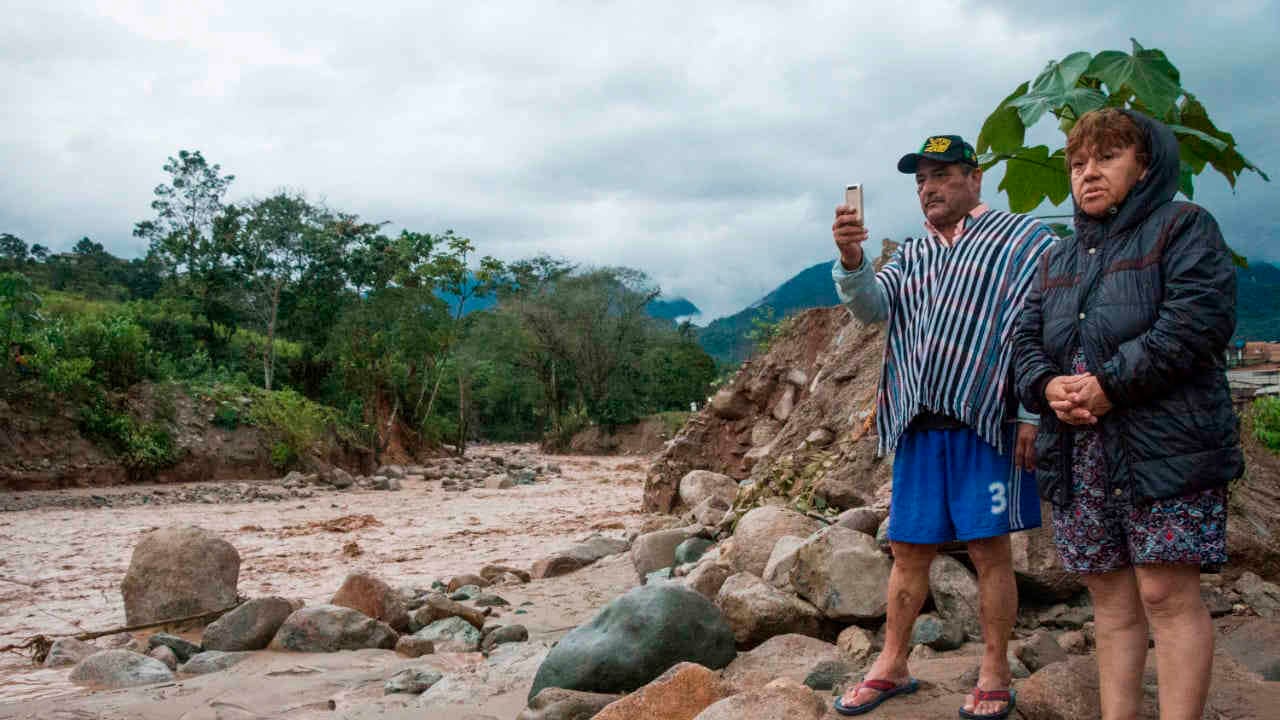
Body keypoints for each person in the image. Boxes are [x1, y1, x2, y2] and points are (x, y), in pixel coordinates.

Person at [1013, 108, 1241, 720]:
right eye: (1078, 162)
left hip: (1163, 444)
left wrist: (1110, 384)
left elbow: (1196, 322)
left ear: (1146, 165)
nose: (1087, 173)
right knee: (1110, 601)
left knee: (1166, 592)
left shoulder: (1184, 226)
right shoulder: (1058, 257)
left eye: (1106, 158)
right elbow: (1026, 341)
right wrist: (1049, 385)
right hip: (1081, 451)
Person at [831, 135, 1055, 718]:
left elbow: (1046, 326)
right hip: (917, 420)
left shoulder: (1023, 240)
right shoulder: (913, 253)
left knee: (989, 549)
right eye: (919, 181)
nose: (928, 188)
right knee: (908, 548)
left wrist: (1033, 412)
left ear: (973, 179)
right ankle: (892, 663)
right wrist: (853, 263)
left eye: (941, 175)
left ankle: (994, 669)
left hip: (990, 421)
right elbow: (871, 309)